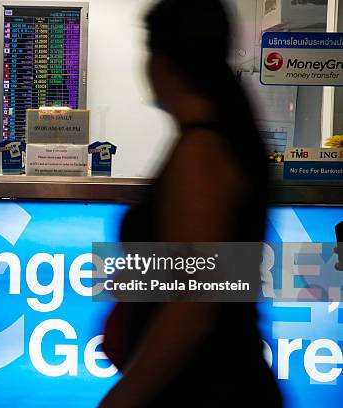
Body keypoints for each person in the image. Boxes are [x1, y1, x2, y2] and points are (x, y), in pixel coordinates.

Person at [100, 0, 282, 406]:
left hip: (206, 388)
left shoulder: (202, 153)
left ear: (162, 62)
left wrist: (120, 401)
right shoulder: (216, 140)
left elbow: (192, 311)